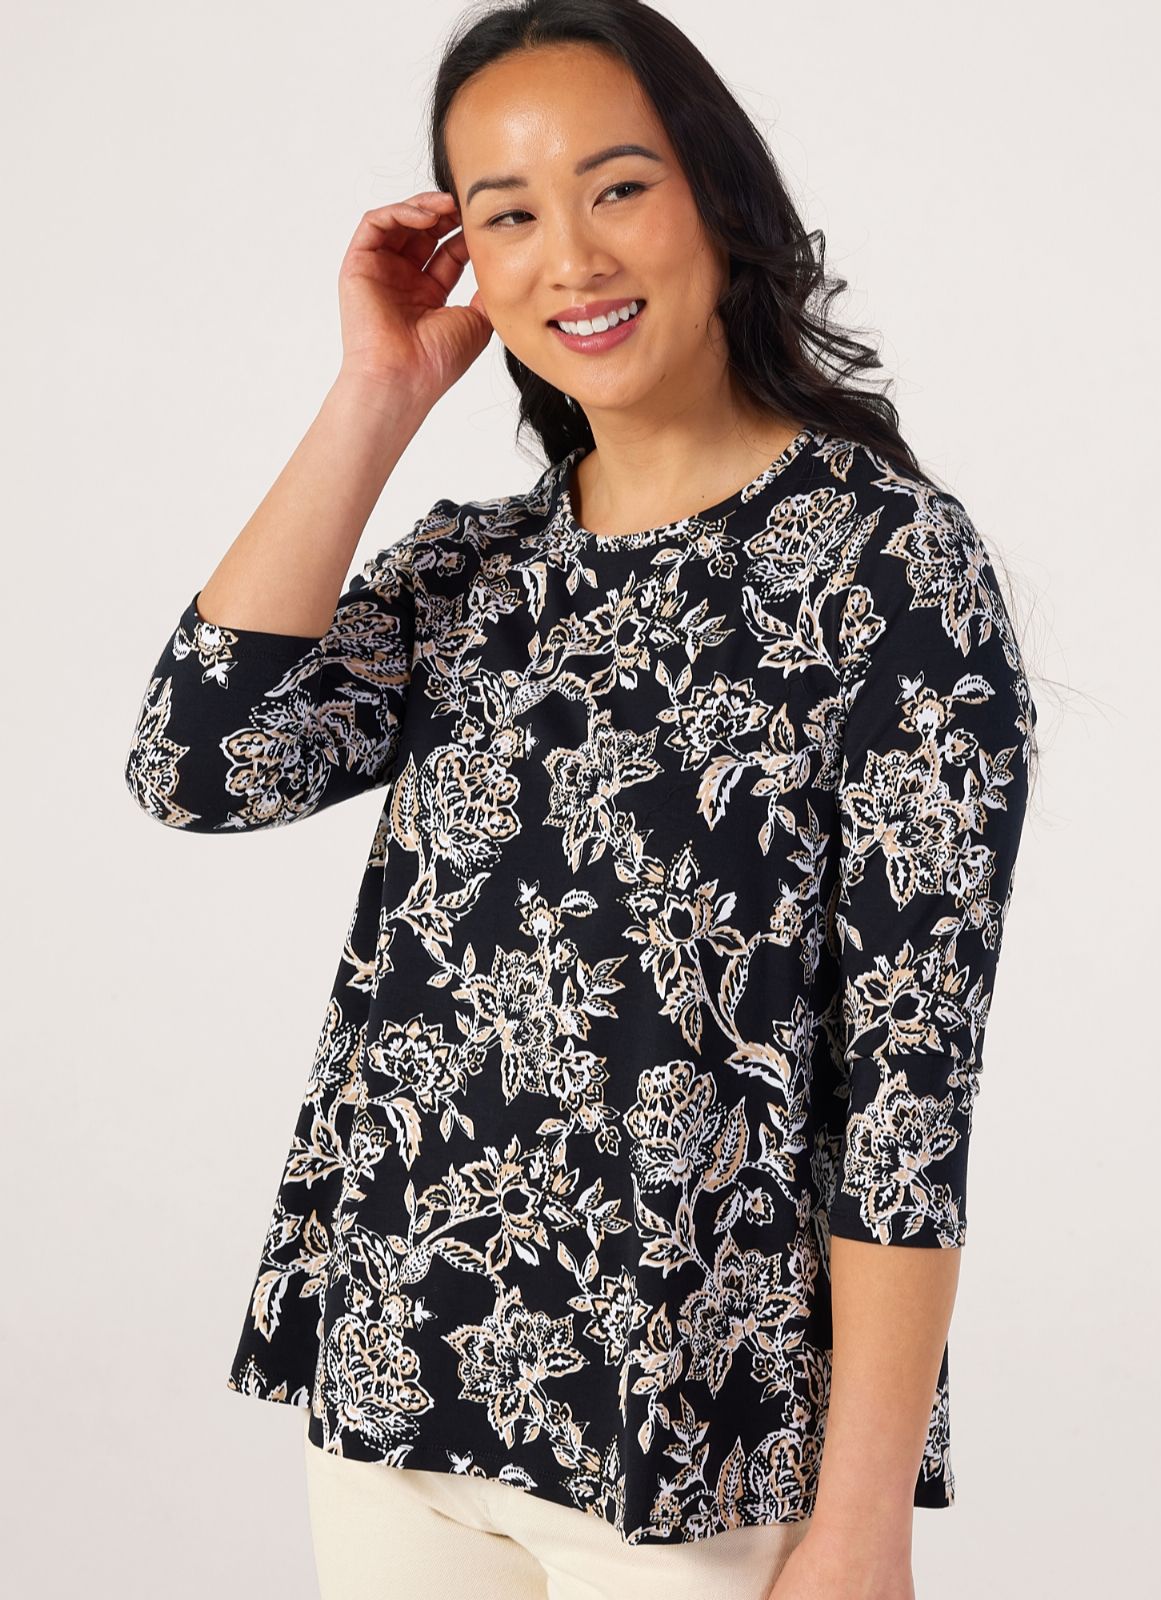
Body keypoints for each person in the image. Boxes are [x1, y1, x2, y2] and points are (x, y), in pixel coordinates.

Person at [122, 3, 1038, 1596]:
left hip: (691, 1437)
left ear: (718, 198)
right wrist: (375, 394)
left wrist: (866, 1520)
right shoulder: (475, 567)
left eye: (617, 187)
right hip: (399, 1391)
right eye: (509, 216)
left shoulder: (887, 565)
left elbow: (908, 1087)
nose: (571, 259)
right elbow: (197, 763)